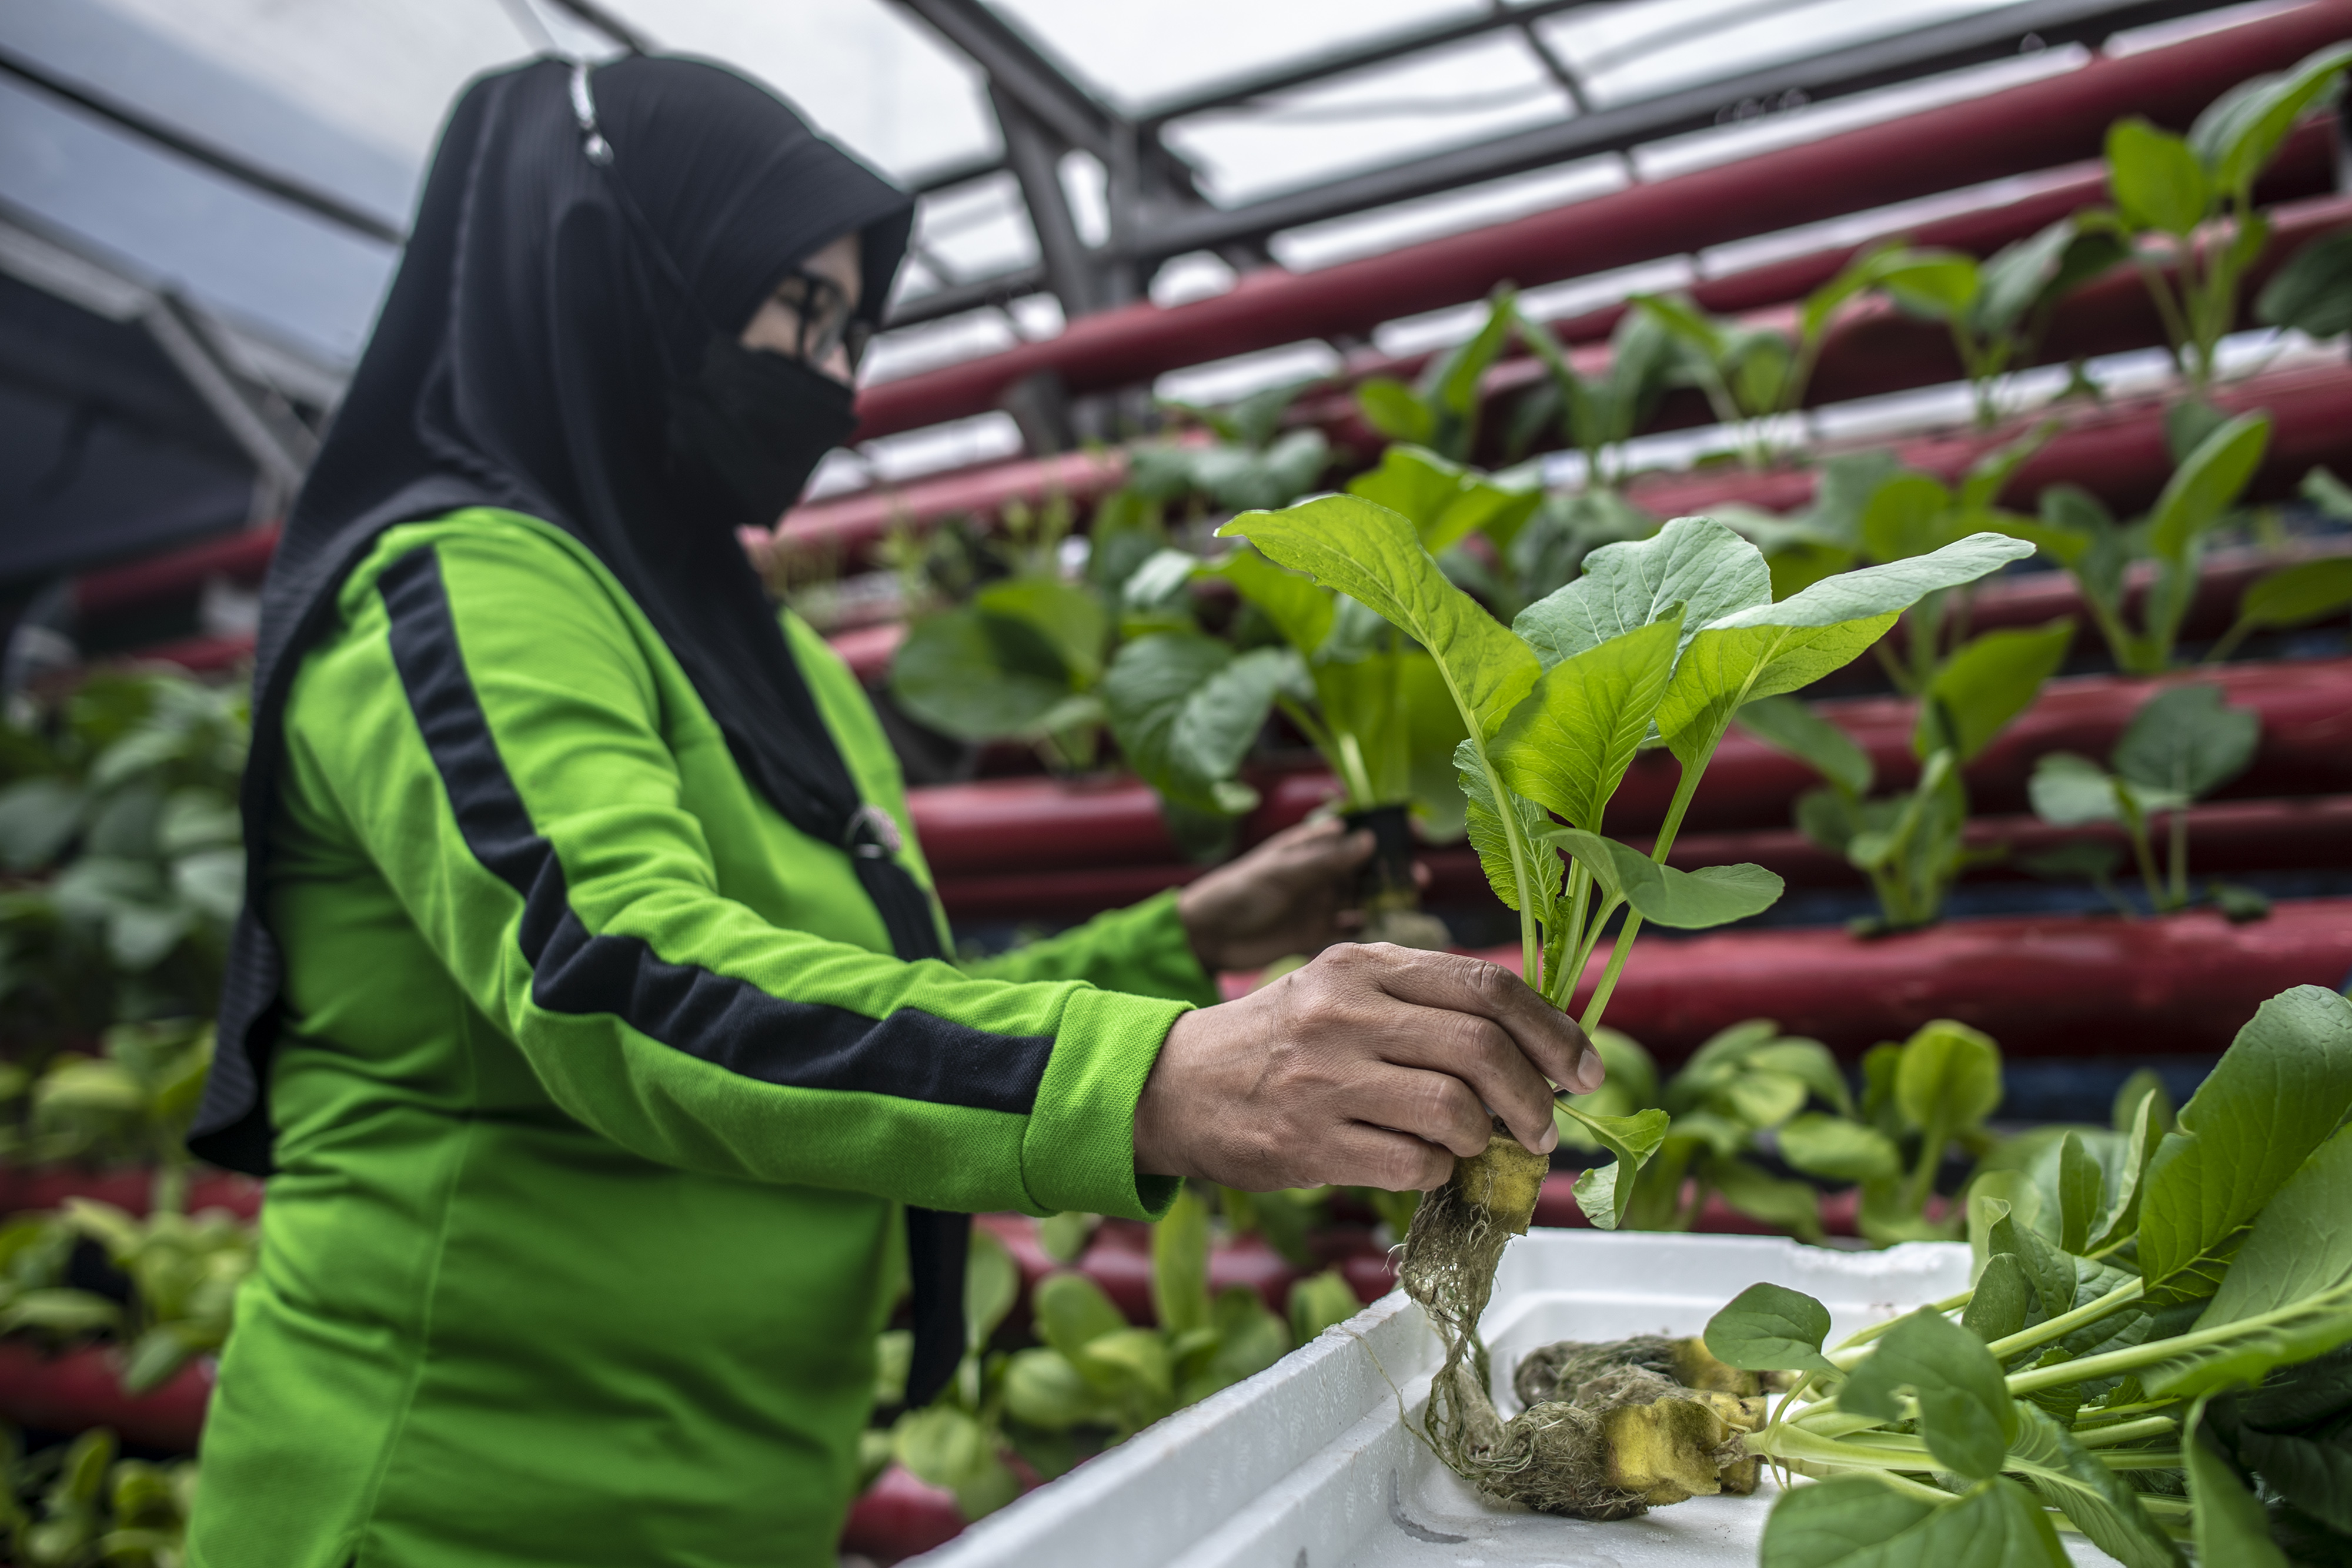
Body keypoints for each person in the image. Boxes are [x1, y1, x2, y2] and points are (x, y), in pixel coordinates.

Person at [184, 53, 1601, 1568]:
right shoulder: (458, 587)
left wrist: (1181, 944)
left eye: (854, 330)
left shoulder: (773, 653)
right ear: (616, 274)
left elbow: (832, 1006)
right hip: (445, 1509)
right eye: (800, 311)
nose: (836, 379)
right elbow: (621, 980)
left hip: (741, 1505)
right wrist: (1157, 1079)